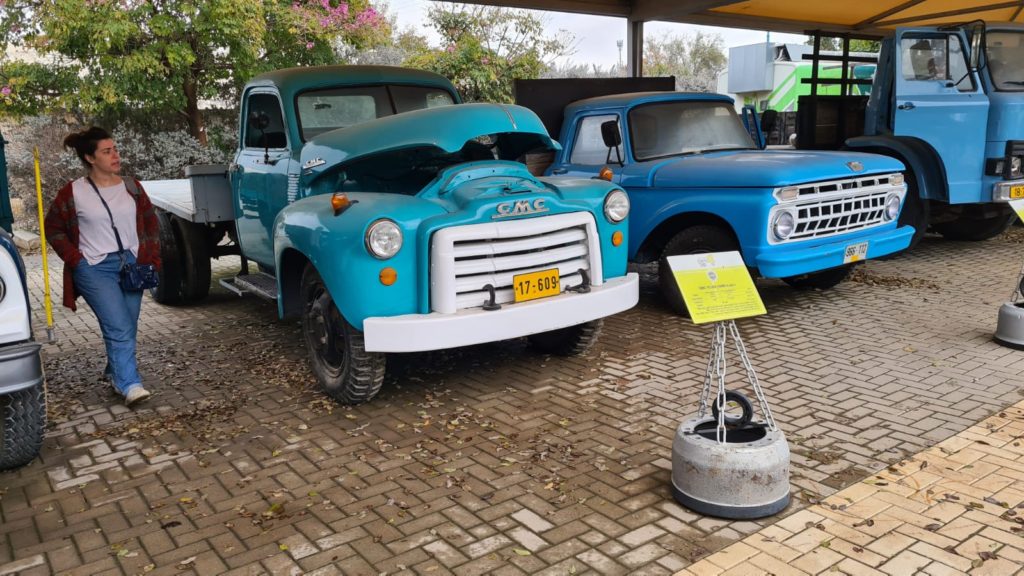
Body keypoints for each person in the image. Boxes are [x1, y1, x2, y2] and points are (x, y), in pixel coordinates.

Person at [45, 127, 162, 406]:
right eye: (107, 151)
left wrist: (149, 257)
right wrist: (76, 260)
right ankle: (129, 384)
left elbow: (150, 224)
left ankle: (115, 370)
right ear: (90, 157)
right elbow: (53, 228)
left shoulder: (132, 186)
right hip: (94, 266)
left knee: (127, 323)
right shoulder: (72, 192)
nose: (115, 155)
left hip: (131, 264)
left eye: (115, 149)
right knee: (119, 324)